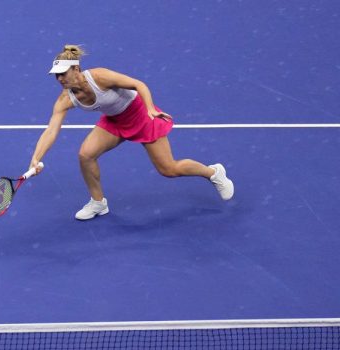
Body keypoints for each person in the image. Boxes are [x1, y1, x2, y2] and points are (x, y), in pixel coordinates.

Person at [29, 45, 234, 220]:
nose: (60, 79)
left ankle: (214, 173)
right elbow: (51, 130)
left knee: (169, 169)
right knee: (86, 155)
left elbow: (138, 84)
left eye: (63, 73)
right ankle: (98, 202)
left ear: (76, 69)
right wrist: (36, 158)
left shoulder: (99, 77)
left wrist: (151, 108)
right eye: (56, 75)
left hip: (141, 115)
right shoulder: (64, 100)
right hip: (114, 121)